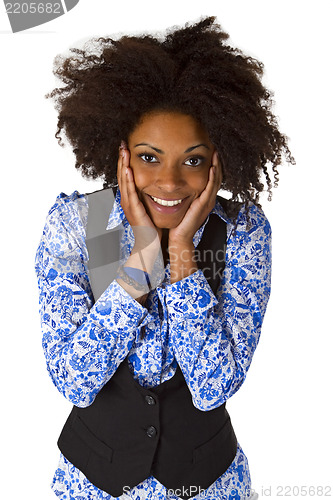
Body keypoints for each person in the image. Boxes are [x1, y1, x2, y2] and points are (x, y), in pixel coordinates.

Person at [35, 17, 294, 500]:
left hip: (210, 487)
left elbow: (214, 386)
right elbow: (74, 381)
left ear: (219, 157)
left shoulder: (243, 232)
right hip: (90, 487)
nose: (170, 182)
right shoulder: (77, 225)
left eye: (193, 160)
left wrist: (180, 259)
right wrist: (141, 261)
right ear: (122, 154)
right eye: (150, 157)